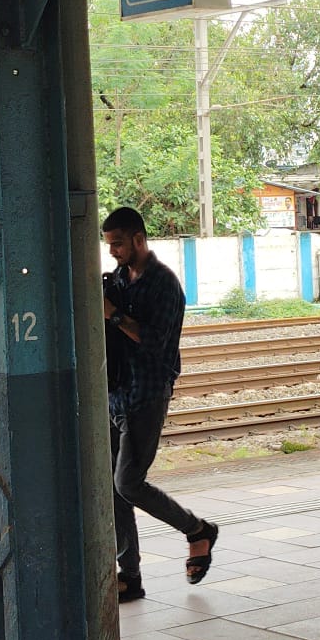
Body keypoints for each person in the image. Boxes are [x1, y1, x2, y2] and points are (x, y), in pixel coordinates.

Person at [101, 207, 218, 603]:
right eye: (109, 244)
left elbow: (154, 342)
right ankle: (129, 576)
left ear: (138, 239)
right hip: (116, 393)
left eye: (118, 243)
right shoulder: (118, 279)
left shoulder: (164, 284)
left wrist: (113, 314)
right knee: (113, 488)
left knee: (128, 482)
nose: (113, 250)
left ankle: (197, 530)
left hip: (147, 394)